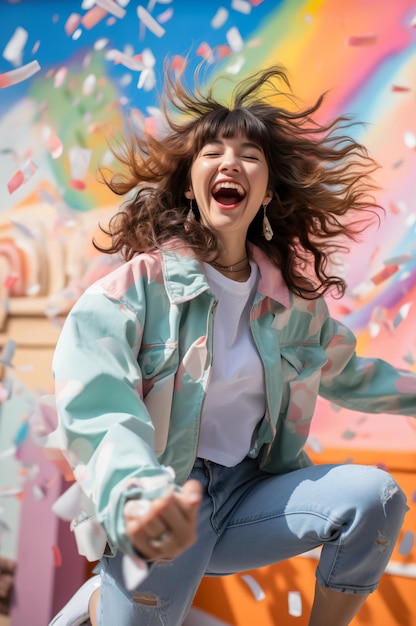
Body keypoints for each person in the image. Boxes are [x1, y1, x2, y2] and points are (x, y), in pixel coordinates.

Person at [47, 61, 416, 626]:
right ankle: (103, 601)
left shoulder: (292, 303)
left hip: (250, 496)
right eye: (211, 152)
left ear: (266, 191)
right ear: (191, 184)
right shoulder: (137, 290)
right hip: (167, 500)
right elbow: (98, 405)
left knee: (375, 498)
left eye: (250, 155)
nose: (230, 162)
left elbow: (353, 374)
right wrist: (137, 493)